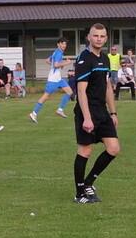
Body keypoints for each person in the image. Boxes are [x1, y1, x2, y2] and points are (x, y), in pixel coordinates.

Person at [72, 23, 120, 203]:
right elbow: (81, 91)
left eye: (102, 36)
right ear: (89, 37)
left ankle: (88, 183)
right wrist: (87, 118)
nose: (99, 39)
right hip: (87, 110)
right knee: (85, 151)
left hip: (102, 111)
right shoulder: (84, 59)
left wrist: (113, 113)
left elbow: (107, 86)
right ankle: (79, 194)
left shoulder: (105, 58)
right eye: (95, 36)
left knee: (114, 148)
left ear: (106, 39)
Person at [30, 39, 75, 122]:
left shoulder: (57, 52)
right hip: (53, 79)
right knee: (45, 96)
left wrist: (54, 65)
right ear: (58, 44)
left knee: (70, 92)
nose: (64, 45)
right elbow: (56, 64)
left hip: (58, 78)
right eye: (62, 44)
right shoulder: (58, 53)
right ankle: (34, 113)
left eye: (65, 44)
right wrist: (66, 62)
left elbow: (48, 60)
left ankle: (60, 110)